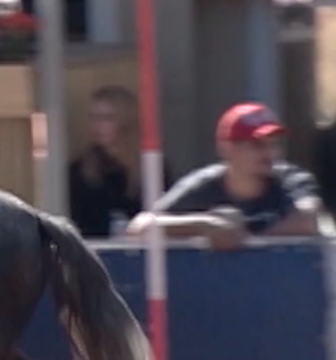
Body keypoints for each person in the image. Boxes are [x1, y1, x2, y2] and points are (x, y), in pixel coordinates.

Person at [126, 102, 322, 250]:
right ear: (226, 149)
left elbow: (308, 219)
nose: (268, 153)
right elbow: (140, 227)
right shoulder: (204, 184)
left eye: (274, 144)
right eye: (257, 145)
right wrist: (204, 225)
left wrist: (243, 239)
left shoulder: (290, 178)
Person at [67, 85, 171, 237]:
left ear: (126, 121)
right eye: (93, 118)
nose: (97, 126)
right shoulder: (80, 170)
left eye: (106, 118)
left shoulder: (151, 168)